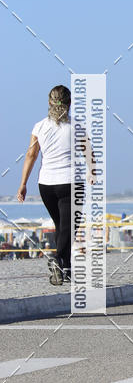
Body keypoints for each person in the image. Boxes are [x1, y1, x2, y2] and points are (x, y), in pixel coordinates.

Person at [17, 86, 73, 285]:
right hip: (69, 183)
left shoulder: (39, 127)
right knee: (68, 226)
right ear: (69, 103)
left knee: (62, 225)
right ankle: (58, 260)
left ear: (49, 103)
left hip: (46, 185)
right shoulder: (76, 126)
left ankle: (66, 268)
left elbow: (31, 155)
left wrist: (23, 183)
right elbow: (89, 152)